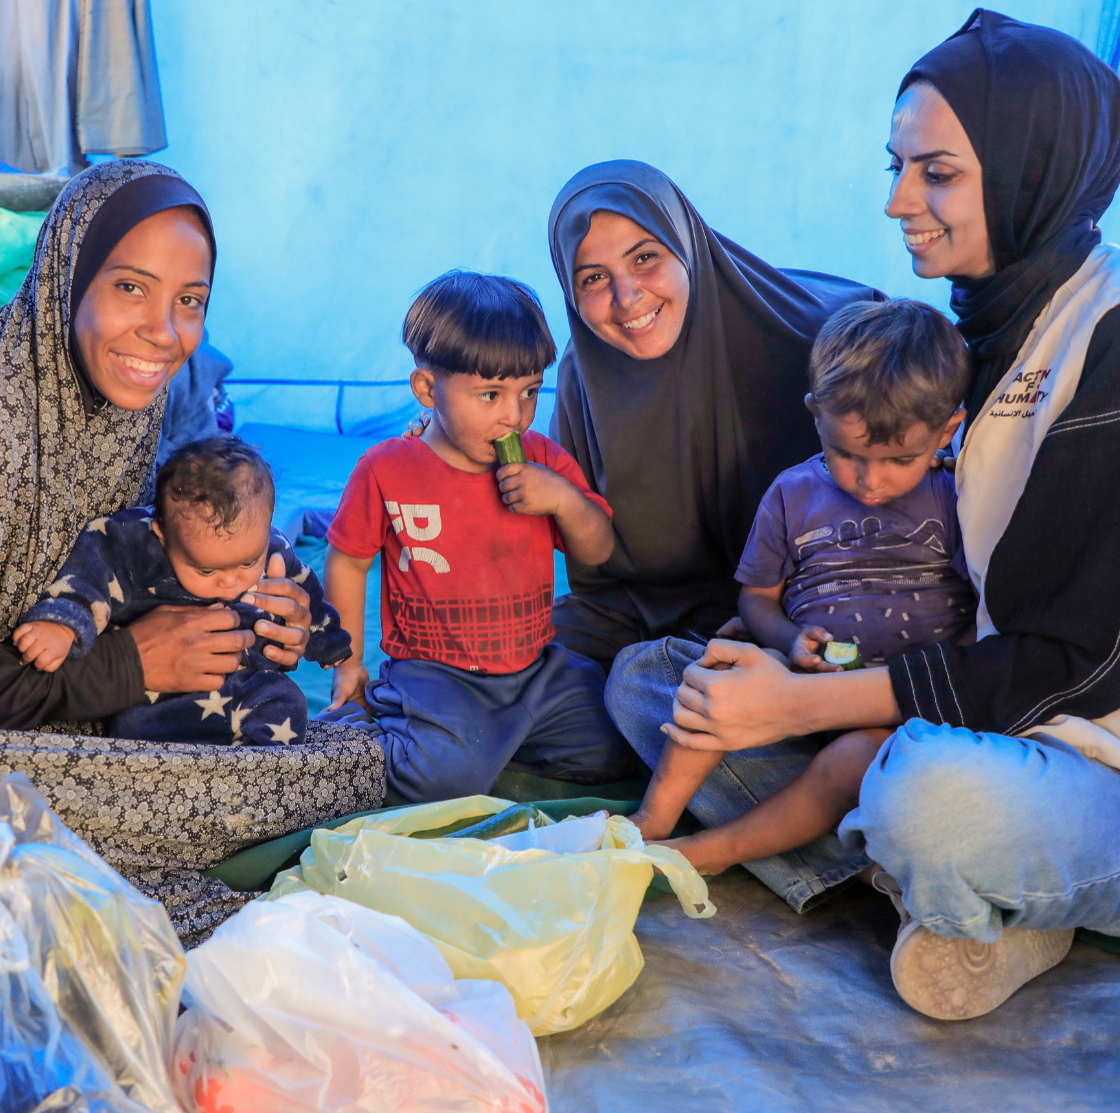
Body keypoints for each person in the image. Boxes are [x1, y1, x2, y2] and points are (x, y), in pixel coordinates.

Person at [607, 10, 1120, 1020]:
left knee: (925, 792)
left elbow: (1077, 663)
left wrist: (804, 705)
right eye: (896, 166)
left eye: (935, 173)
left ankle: (939, 868)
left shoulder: (1101, 347)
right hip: (931, 704)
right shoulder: (969, 330)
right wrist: (776, 669)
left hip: (1073, 754)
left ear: (1032, 169)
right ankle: (915, 883)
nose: (896, 201)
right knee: (659, 679)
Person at [0, 160, 384, 945]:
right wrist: (133, 666)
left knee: (357, 759)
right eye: (130, 288)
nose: (163, 331)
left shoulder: (132, 416)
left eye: (191, 302)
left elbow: (139, 567)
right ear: (67, 278)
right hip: (40, 740)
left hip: (87, 734)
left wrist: (261, 620)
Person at [630, 296, 976, 875]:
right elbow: (756, 600)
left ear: (948, 429)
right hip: (793, 687)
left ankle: (712, 853)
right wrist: (788, 640)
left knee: (859, 762)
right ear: (815, 412)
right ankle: (651, 822)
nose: (870, 480)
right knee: (686, 674)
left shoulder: (956, 493)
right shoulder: (792, 494)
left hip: (899, 719)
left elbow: (984, 615)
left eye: (900, 459)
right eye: (846, 454)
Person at [546, 160, 884, 672]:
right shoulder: (584, 375)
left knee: (639, 690)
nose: (627, 296)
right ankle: (378, 750)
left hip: (810, 618)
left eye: (645, 257)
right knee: (502, 669)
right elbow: (597, 581)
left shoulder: (818, 340)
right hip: (642, 619)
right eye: (594, 277)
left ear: (687, 245)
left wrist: (775, 621)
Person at [323, 271, 633, 803]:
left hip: (536, 669)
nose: (514, 415)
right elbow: (347, 562)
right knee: (443, 783)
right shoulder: (387, 469)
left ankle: (481, 741)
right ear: (427, 389)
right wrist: (348, 663)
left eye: (530, 391)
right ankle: (387, 726)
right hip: (437, 674)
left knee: (619, 750)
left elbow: (598, 550)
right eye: (490, 394)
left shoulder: (543, 461)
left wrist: (563, 499)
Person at [14, 437, 351, 745]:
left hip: (246, 684)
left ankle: (252, 768)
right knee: (132, 726)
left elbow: (309, 594)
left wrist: (330, 643)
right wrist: (61, 623)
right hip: (160, 696)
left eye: (248, 563)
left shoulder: (274, 548)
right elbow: (89, 576)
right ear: (162, 536)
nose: (231, 581)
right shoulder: (136, 545)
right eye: (206, 570)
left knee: (288, 702)